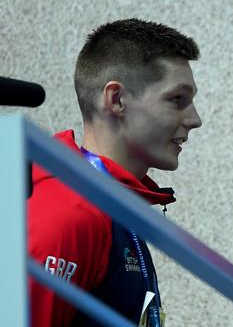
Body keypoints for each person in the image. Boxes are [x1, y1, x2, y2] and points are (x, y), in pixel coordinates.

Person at [28, 18, 202, 326]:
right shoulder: (70, 211)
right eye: (177, 100)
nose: (194, 119)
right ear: (117, 99)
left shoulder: (111, 203)